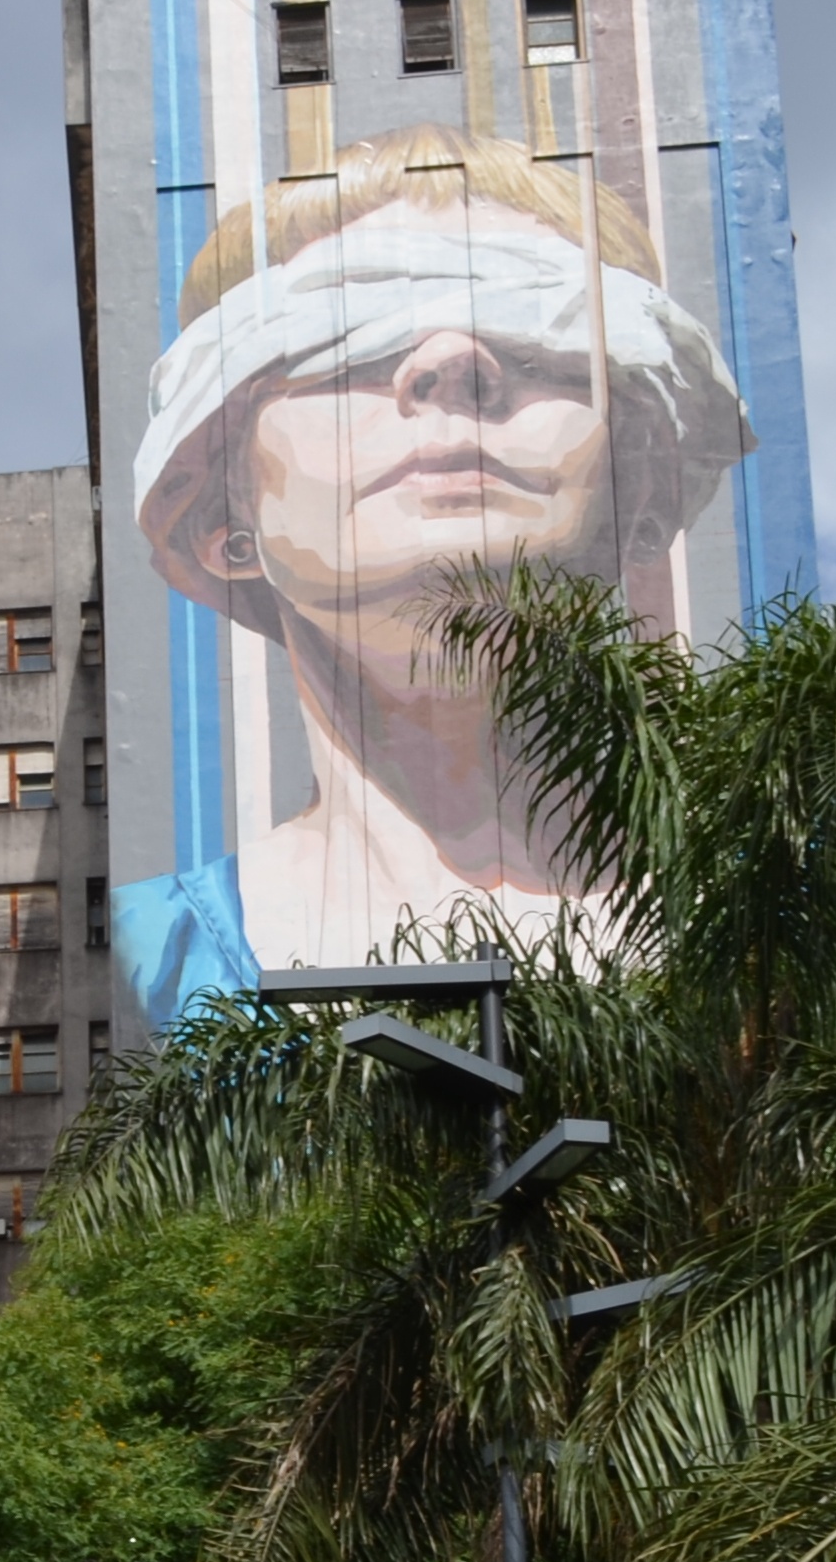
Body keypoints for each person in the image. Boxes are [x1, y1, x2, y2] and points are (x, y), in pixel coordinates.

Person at [110, 133, 752, 1028]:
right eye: (346, 339)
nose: (453, 363)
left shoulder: (770, 943)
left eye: (536, 331)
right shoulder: (144, 955)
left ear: (634, 496)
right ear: (224, 520)